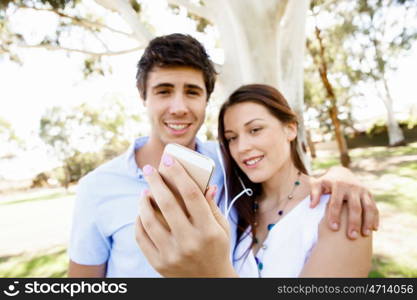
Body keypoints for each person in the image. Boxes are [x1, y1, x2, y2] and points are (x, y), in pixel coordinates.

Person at [68, 33, 378, 278]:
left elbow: (284, 175)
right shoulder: (97, 188)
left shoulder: (228, 161)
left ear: (206, 100)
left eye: (192, 92)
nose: (179, 107)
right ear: (143, 98)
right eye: (163, 91)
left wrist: (339, 175)